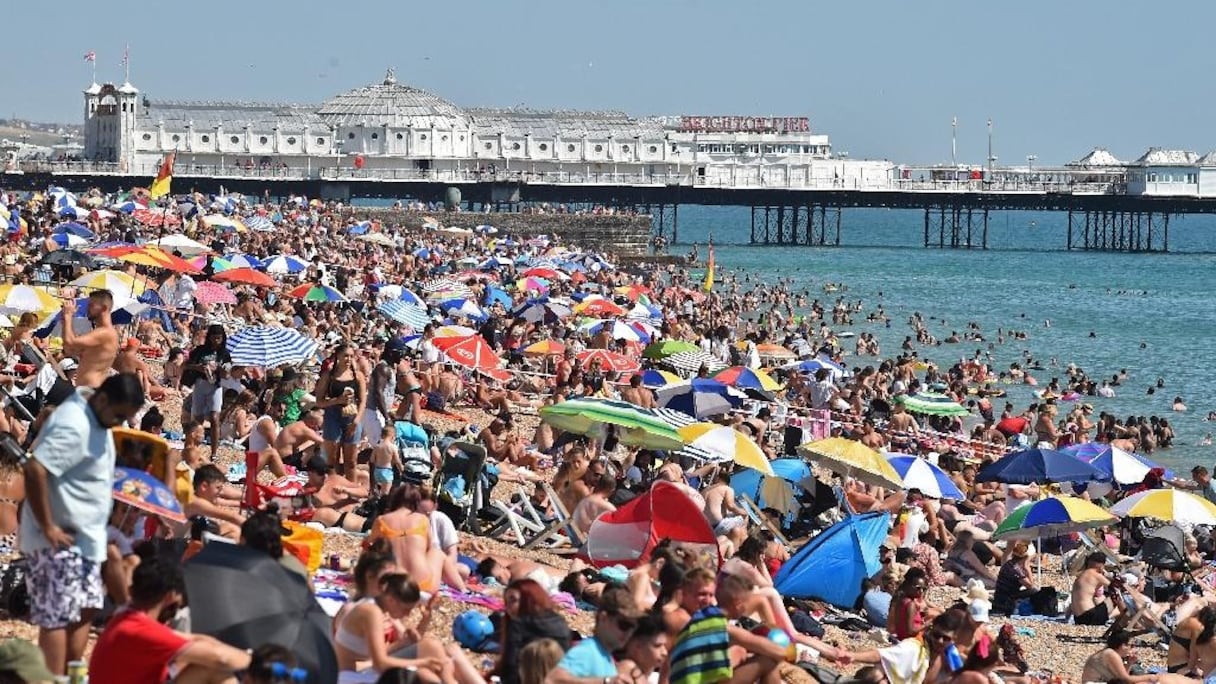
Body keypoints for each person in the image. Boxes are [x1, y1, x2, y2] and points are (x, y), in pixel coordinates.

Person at [20, 373, 144, 676]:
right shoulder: (74, 424)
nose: (119, 423)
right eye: (118, 416)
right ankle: (53, 680)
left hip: (86, 539)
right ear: (102, 400)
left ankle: (71, 677)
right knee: (57, 617)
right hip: (59, 541)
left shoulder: (96, 415)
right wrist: (48, 526)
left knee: (84, 611)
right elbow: (36, 469)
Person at [88, 555, 252, 684]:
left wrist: (245, 655)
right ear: (171, 596)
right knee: (211, 669)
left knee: (198, 663)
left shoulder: (127, 617)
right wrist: (257, 661)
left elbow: (195, 639)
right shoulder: (140, 630)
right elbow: (220, 658)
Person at [545, 585, 643, 684]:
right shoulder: (587, 651)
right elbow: (552, 680)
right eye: (624, 625)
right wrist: (606, 681)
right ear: (603, 618)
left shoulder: (605, 656)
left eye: (633, 627)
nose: (629, 633)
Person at [497, 579, 572, 684]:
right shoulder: (559, 620)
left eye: (513, 600)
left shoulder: (518, 624)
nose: (508, 607)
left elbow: (510, 667)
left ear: (529, 598)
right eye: (506, 602)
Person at [314, 344, 367, 480]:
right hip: (333, 415)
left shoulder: (358, 376)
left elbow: (362, 401)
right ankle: (334, 487)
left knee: (351, 461)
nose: (348, 359)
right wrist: (337, 400)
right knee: (332, 460)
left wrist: (356, 421)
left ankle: (351, 491)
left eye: (351, 356)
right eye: (345, 356)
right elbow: (319, 401)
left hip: (352, 416)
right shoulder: (329, 376)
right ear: (338, 356)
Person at [184, 324, 232, 461]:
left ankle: (214, 452)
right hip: (200, 383)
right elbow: (187, 364)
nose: (216, 341)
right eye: (214, 338)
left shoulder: (225, 354)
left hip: (215, 386)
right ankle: (194, 448)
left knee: (215, 418)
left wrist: (222, 370)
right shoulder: (201, 350)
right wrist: (199, 368)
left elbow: (227, 375)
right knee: (197, 419)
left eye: (219, 338)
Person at [61, 289, 119, 389]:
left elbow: (70, 342)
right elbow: (69, 349)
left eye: (91, 305)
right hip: (86, 389)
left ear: (103, 308)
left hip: (91, 390)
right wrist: (65, 320)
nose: (88, 309)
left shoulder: (105, 333)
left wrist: (68, 316)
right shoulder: (100, 332)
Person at [616, 613, 669, 684]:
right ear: (637, 646)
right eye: (657, 646)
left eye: (664, 646)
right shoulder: (626, 669)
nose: (664, 652)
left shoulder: (654, 677)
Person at [1070, 552, 1116, 626]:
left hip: (1078, 618)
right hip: (1089, 616)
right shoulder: (1096, 575)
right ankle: (1114, 620)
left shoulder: (1082, 574)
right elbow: (1115, 587)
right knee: (1117, 597)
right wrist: (1106, 574)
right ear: (1101, 565)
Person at [371, 426, 403, 496]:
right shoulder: (393, 447)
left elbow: (372, 460)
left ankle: (376, 503)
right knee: (385, 494)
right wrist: (402, 469)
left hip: (377, 471)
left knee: (378, 492)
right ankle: (382, 505)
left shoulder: (377, 446)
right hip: (387, 471)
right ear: (392, 436)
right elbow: (397, 460)